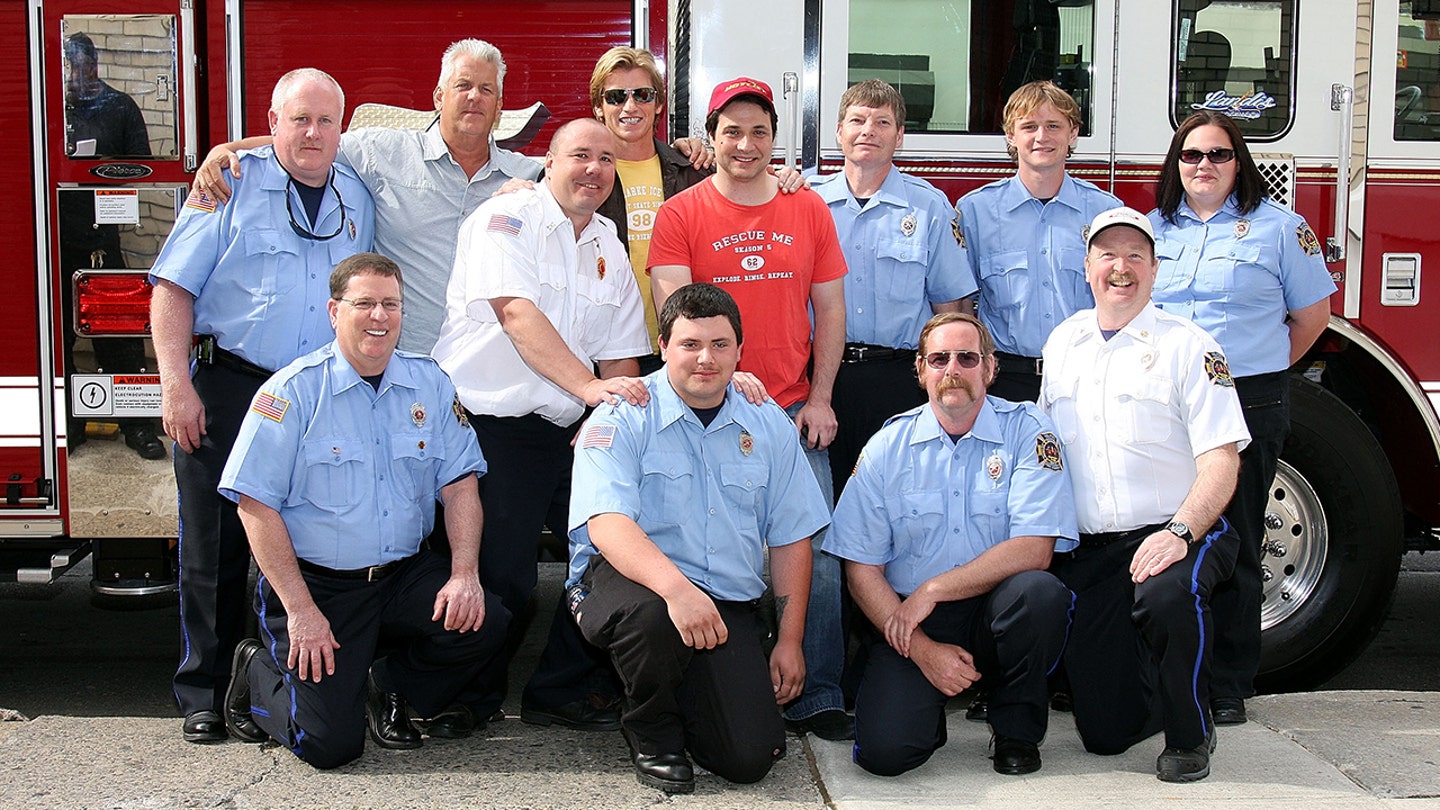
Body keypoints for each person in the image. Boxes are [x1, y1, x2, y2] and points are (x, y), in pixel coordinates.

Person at [149, 68, 374, 744]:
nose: (312, 133)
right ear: (271, 121)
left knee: (302, 541)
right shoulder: (232, 183)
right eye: (297, 118)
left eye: (326, 121)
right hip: (231, 382)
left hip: (313, 392)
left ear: (342, 128)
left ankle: (268, 685)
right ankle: (203, 691)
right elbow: (171, 288)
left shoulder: (358, 193)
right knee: (213, 544)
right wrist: (174, 385)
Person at [217, 253, 509, 769]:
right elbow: (255, 505)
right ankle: (257, 670)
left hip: (401, 575)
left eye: (390, 304)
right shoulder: (291, 392)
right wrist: (302, 611)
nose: (380, 316)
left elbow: (460, 484)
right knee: (329, 747)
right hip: (323, 586)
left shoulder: (430, 384)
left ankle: (386, 685)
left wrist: (464, 574)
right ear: (334, 311)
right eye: (365, 303)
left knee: (486, 620)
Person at [430, 118, 650, 734]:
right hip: (492, 423)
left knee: (609, 553)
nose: (593, 169)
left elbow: (622, 351)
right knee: (501, 574)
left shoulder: (607, 240)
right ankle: (455, 698)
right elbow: (517, 315)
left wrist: (601, 411)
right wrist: (589, 390)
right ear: (545, 163)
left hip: (566, 426)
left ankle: (561, 690)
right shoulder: (509, 219)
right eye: (579, 155)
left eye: (606, 159)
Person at [649, 76, 851, 740]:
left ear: (775, 139)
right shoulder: (681, 214)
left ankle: (816, 688)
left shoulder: (809, 208)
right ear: (712, 138)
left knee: (814, 557)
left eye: (759, 131)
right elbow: (676, 312)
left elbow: (829, 309)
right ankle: (709, 679)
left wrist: (820, 398)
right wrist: (727, 384)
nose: (745, 144)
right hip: (710, 413)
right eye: (731, 131)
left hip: (792, 411)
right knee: (705, 553)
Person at [567, 282, 829, 794]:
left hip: (724, 598)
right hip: (631, 583)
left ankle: (688, 695)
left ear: (739, 349)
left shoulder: (767, 421)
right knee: (653, 620)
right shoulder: (623, 415)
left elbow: (792, 536)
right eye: (689, 345)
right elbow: (607, 524)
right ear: (663, 346)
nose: (705, 359)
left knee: (750, 757)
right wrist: (678, 591)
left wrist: (790, 640)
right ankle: (654, 733)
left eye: (720, 344)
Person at [1040, 207, 1251, 782]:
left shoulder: (1190, 346)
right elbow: (1047, 453)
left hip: (1176, 530)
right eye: (1107, 254)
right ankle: (1155, 691)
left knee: (1167, 600)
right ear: (1087, 267)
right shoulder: (1063, 343)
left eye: (1136, 255)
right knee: (1105, 735)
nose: (1121, 267)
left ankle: (1190, 730)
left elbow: (1221, 461)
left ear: (1156, 269)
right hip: (1093, 549)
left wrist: (1181, 532)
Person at [824, 312, 1075, 777]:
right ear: (920, 371)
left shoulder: (1028, 431)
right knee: (884, 755)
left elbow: (1035, 548)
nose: (953, 369)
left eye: (967, 357)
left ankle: (1015, 728)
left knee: (1039, 595)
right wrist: (922, 650)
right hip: (916, 624)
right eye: (939, 359)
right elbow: (861, 568)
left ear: (991, 368)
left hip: (996, 609)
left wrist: (933, 589)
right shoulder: (887, 447)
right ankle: (927, 708)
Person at [1149, 111, 1337, 727]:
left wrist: (1257, 373)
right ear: (1176, 165)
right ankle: (1164, 675)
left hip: (1247, 399)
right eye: (1191, 155)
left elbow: (1313, 318)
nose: (1204, 166)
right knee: (1161, 534)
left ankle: (1228, 684)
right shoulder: (1151, 232)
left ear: (1240, 163)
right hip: (1168, 404)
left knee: (1237, 541)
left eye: (1219, 155)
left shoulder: (1281, 230)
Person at [194, 39, 541, 355]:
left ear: (499, 106)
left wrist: (527, 200)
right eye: (463, 85)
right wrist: (228, 149)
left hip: (487, 376)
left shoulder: (527, 177)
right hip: (403, 365)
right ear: (439, 96)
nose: (473, 97)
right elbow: (310, 142)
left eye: (486, 89)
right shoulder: (383, 152)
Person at [811, 79, 976, 500]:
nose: (868, 130)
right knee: (823, 504)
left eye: (882, 122)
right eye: (857, 120)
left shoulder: (930, 207)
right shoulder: (807, 204)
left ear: (899, 136)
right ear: (839, 131)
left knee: (899, 503)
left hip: (900, 380)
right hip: (823, 379)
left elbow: (952, 309)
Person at [957, 81, 1121, 403]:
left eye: (1053, 126)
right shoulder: (975, 212)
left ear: (1072, 134)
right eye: (1029, 126)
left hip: (1087, 380)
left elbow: (1125, 303)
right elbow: (961, 305)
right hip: (1004, 382)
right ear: (1011, 135)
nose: (1041, 137)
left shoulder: (1106, 212)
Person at [60, 32, 163, 460]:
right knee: (57, 336)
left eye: (82, 67)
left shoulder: (120, 106)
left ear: (95, 66)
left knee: (119, 334)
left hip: (103, 239)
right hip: (55, 240)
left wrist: (104, 170)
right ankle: (68, 425)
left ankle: (137, 426)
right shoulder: (52, 107)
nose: (76, 77)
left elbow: (144, 165)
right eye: (68, 68)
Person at [63, 31, 149, 158]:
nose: (68, 79)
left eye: (73, 67)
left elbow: (143, 164)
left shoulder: (123, 107)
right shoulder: (59, 111)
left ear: (91, 68)